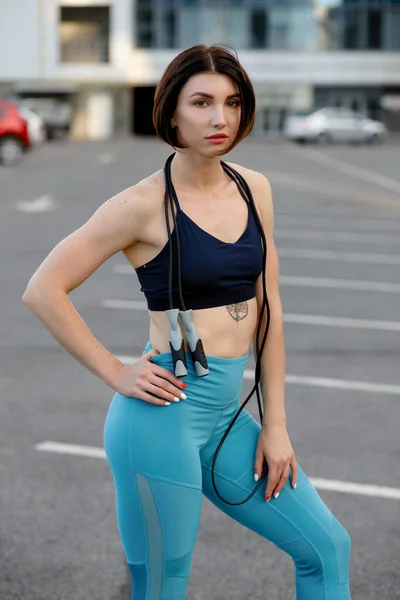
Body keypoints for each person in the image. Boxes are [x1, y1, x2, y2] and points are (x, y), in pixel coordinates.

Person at [22, 44, 352, 600]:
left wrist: (276, 426)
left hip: (228, 415)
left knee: (327, 548)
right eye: (201, 102)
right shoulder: (139, 205)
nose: (219, 118)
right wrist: (115, 372)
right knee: (163, 586)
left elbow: (268, 309)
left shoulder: (254, 188)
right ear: (172, 111)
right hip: (159, 419)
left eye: (232, 102)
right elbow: (43, 290)